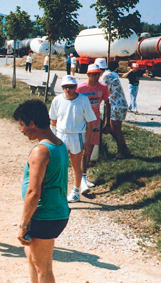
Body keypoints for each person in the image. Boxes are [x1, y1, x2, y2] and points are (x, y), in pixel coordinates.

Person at [14, 99, 70, 283]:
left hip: (45, 215)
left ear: (32, 123)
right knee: (31, 255)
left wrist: (23, 224)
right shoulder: (59, 144)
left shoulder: (41, 151)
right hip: (54, 212)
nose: (21, 130)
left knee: (43, 267)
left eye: (22, 125)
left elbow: (33, 192)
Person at [49, 75, 96, 203]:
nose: (68, 90)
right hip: (61, 135)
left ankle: (76, 191)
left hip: (77, 136)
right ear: (62, 87)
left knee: (76, 165)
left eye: (71, 87)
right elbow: (53, 120)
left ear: (76, 87)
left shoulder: (83, 100)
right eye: (65, 87)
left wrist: (88, 141)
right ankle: (59, 191)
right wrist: (52, 139)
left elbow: (90, 122)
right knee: (60, 165)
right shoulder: (57, 100)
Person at [76, 63, 110, 193]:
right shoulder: (81, 88)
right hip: (82, 123)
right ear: (88, 75)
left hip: (95, 123)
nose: (96, 77)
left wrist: (107, 123)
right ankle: (79, 177)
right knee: (81, 150)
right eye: (93, 74)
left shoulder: (103, 88)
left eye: (97, 74)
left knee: (89, 150)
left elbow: (107, 104)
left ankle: (84, 175)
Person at [97, 58, 131, 159]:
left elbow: (103, 92)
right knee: (112, 129)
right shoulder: (112, 73)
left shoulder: (105, 76)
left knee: (116, 130)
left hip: (116, 105)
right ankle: (125, 149)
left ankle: (121, 152)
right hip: (120, 104)